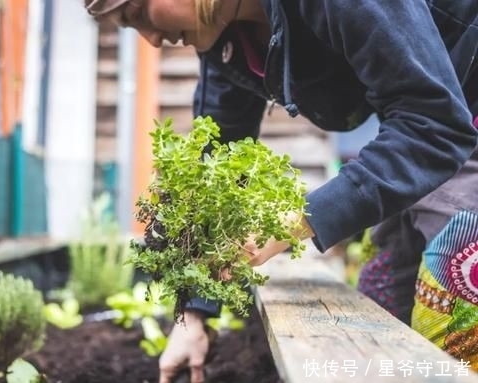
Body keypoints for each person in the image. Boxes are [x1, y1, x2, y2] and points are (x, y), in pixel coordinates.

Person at [83, 0, 478, 382]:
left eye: (138, 13)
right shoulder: (229, 36)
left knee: (454, 311)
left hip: (453, 122)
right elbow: (215, 164)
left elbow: (434, 126)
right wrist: (194, 313)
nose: (151, 40)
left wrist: (292, 221)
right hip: (438, 130)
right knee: (383, 304)